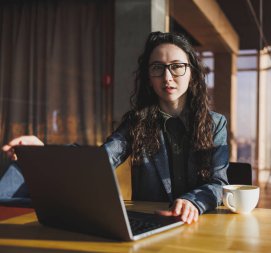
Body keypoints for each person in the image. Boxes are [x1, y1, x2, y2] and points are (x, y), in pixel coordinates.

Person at [2, 31, 229, 224]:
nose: (167, 77)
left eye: (177, 67)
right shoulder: (137, 122)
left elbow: (219, 184)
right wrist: (43, 151)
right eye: (158, 68)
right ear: (149, 77)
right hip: (152, 223)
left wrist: (193, 201)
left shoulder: (215, 124)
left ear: (192, 72)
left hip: (200, 223)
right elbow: (101, 159)